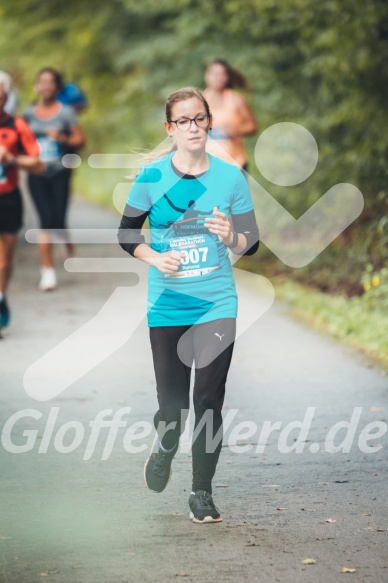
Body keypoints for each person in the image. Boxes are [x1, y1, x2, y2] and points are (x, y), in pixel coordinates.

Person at [118, 87, 259, 523]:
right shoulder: (152, 178)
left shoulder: (230, 176)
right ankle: (164, 447)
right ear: (170, 128)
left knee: (209, 400)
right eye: (183, 121)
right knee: (174, 406)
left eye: (199, 118)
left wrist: (228, 236)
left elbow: (251, 243)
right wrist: (155, 257)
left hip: (216, 302)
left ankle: (202, 492)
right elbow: (126, 234)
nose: (192, 127)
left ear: (209, 122)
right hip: (167, 305)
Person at [23, 67, 86, 291]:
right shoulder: (28, 113)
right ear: (37, 86)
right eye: (42, 82)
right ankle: (47, 272)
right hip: (37, 174)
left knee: (57, 217)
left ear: (57, 87)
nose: (46, 86)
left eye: (51, 83)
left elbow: (80, 139)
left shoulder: (66, 112)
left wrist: (60, 136)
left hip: (60, 172)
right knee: (45, 220)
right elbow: (19, 140)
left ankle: (64, 236)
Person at [0, 71, 44, 332]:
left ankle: (1, 297)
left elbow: (37, 164)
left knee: (4, 261)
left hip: (8, 198)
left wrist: (11, 159)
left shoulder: (16, 126)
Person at [203, 59, 258, 171]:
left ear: (227, 78)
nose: (217, 78)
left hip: (235, 164)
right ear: (207, 76)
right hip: (207, 167)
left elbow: (252, 125)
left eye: (221, 74)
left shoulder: (235, 99)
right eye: (213, 74)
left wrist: (238, 130)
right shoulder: (199, 100)